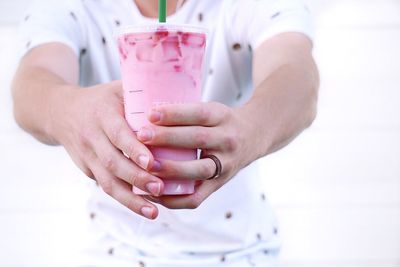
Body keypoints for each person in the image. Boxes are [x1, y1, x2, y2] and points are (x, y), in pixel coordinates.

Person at [12, 0, 319, 266]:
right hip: (113, 251)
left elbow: (295, 73)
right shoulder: (77, 6)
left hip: (240, 251)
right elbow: (32, 82)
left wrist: (251, 128)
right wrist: (67, 110)